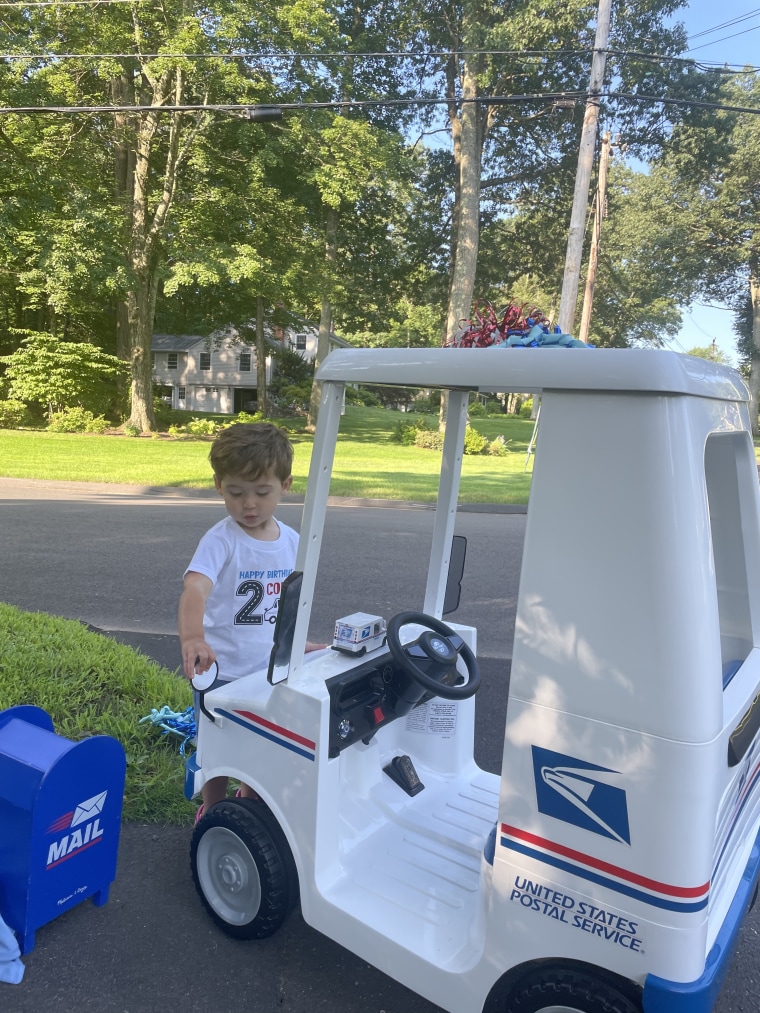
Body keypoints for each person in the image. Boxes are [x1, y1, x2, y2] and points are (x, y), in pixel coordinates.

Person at [178, 421, 323, 820]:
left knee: (264, 743)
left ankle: (250, 796)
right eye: (236, 492)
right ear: (218, 485)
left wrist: (300, 644)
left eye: (262, 492)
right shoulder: (220, 540)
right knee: (217, 744)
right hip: (221, 671)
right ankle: (212, 807)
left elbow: (288, 605)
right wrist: (193, 637)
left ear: (286, 485)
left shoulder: (293, 542)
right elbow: (195, 589)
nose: (249, 505)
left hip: (270, 671)